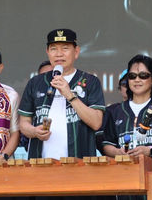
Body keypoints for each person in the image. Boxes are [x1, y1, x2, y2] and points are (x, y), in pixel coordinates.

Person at [18, 29, 105, 159]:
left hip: (79, 164)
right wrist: (34, 131)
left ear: (76, 52)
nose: (59, 54)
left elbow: (96, 122)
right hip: (41, 165)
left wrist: (70, 95)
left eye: (65, 48)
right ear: (47, 52)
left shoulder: (90, 81)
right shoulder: (35, 82)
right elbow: (23, 123)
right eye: (53, 49)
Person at [101, 55, 152, 199]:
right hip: (124, 183)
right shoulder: (115, 111)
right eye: (132, 76)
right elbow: (106, 145)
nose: (137, 80)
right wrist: (119, 152)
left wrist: (149, 151)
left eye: (143, 75)